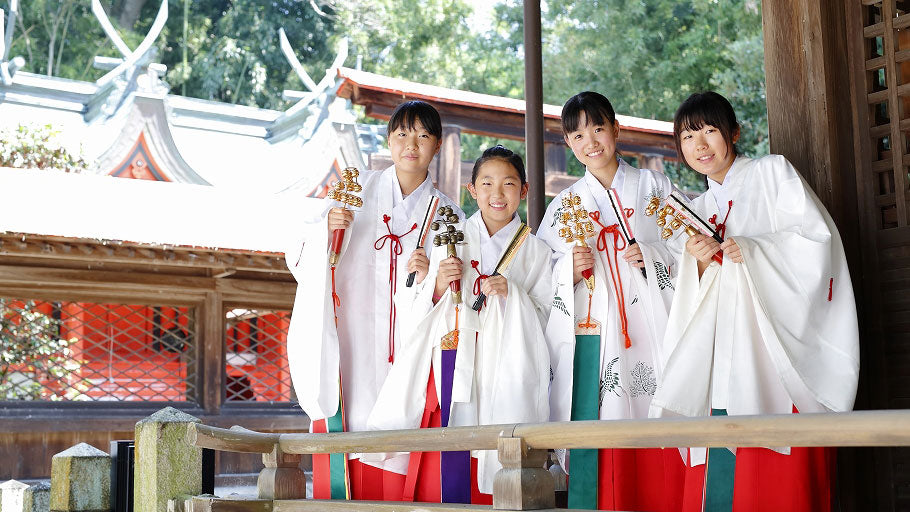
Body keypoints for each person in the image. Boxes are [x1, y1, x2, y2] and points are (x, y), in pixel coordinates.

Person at [651, 91, 860, 511]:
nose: (701, 145)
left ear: (734, 132)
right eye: (689, 137)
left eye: (710, 131)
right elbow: (679, 293)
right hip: (716, 356)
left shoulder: (772, 173)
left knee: (772, 478)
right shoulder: (695, 208)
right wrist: (698, 265)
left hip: (769, 346)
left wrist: (754, 249)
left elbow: (816, 240)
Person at [285, 100, 462, 501]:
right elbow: (298, 251)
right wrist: (327, 232)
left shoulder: (447, 215)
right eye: (402, 134)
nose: (411, 144)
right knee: (349, 426)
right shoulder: (354, 190)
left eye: (422, 135)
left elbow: (457, 292)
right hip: (352, 344)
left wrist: (433, 281)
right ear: (388, 140)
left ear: (436, 146)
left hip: (409, 352)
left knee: (404, 435)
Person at [366, 145, 553, 504]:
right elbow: (412, 310)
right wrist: (436, 285)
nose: (497, 194)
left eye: (508, 184)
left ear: (524, 190)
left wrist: (512, 296)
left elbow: (548, 316)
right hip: (450, 359)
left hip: (504, 368)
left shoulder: (537, 251)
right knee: (443, 453)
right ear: (472, 190)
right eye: (487, 184)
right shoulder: (449, 238)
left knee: (493, 452)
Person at [536, 91, 685, 511]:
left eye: (598, 128)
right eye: (578, 134)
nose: (591, 141)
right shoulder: (566, 207)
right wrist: (570, 267)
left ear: (616, 129)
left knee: (661, 407)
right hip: (597, 333)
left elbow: (690, 243)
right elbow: (544, 273)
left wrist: (654, 256)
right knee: (605, 415)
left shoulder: (653, 186)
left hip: (653, 322)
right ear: (568, 143)